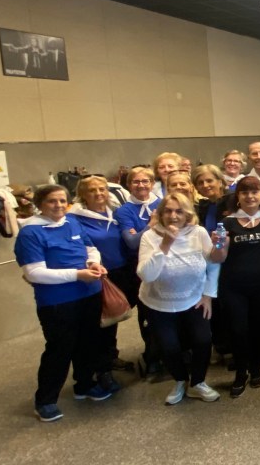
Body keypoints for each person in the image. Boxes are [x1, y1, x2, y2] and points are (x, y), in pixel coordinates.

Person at [16, 184, 112, 421]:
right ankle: (46, 400)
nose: (58, 205)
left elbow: (91, 248)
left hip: (89, 293)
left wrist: (93, 263)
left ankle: (84, 385)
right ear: (40, 204)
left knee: (88, 343)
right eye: (52, 201)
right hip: (58, 302)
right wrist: (77, 274)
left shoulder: (72, 222)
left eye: (62, 201)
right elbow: (34, 273)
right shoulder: (30, 232)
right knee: (60, 349)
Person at [138, 193, 227, 405]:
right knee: (168, 346)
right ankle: (180, 380)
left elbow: (213, 264)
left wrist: (208, 295)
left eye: (179, 211)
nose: (173, 216)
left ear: (187, 214)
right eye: (168, 211)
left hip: (194, 299)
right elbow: (146, 275)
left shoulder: (199, 232)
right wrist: (165, 243)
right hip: (158, 304)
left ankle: (197, 382)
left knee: (203, 340)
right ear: (160, 214)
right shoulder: (149, 236)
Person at [69, 175, 130, 394]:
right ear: (82, 195)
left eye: (102, 189)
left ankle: (111, 357)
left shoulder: (116, 213)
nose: (98, 193)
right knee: (99, 325)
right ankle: (101, 370)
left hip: (121, 272)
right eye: (92, 190)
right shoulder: (75, 218)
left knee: (113, 320)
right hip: (98, 276)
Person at [219, 176, 260, 396]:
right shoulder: (226, 223)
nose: (250, 196)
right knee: (238, 329)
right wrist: (219, 245)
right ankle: (241, 371)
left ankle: (256, 366)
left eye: (254, 192)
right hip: (233, 286)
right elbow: (217, 257)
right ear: (238, 197)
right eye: (245, 192)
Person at [115, 166, 162, 373]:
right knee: (147, 313)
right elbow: (132, 243)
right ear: (128, 185)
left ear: (152, 183)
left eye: (145, 181)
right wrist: (152, 225)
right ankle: (152, 355)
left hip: (165, 265)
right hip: (139, 269)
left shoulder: (163, 204)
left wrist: (139, 232)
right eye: (136, 181)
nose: (141, 185)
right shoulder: (124, 211)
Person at [192, 164, 228, 233]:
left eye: (209, 181)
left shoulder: (232, 202)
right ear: (196, 187)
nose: (205, 185)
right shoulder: (202, 207)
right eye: (200, 183)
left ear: (220, 182)